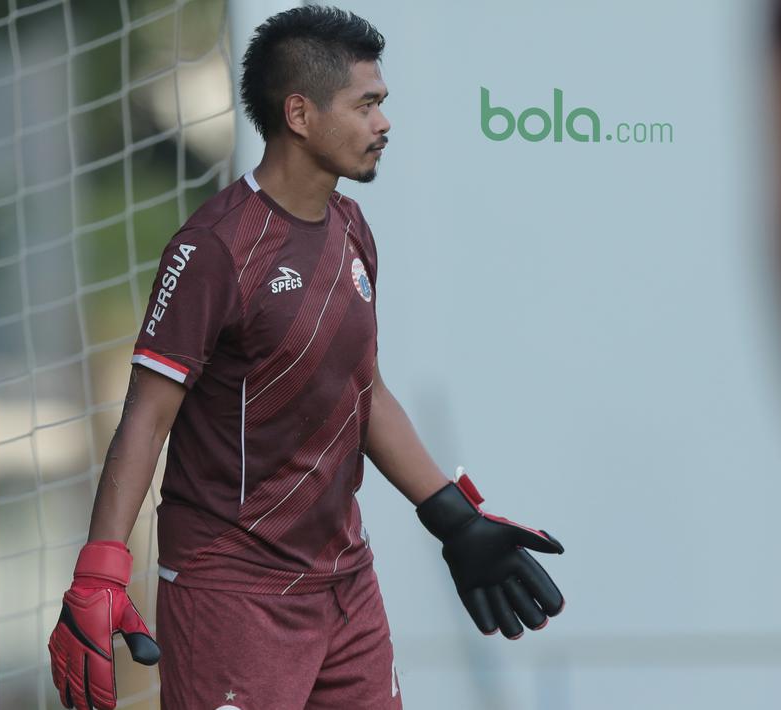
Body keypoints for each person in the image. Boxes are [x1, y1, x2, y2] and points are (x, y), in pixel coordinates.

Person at [47, 7, 565, 709]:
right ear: (299, 113)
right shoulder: (213, 249)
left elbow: (363, 389)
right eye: (366, 105)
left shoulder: (351, 228)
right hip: (232, 593)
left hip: (344, 585)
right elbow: (144, 419)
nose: (383, 123)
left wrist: (450, 515)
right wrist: (102, 572)